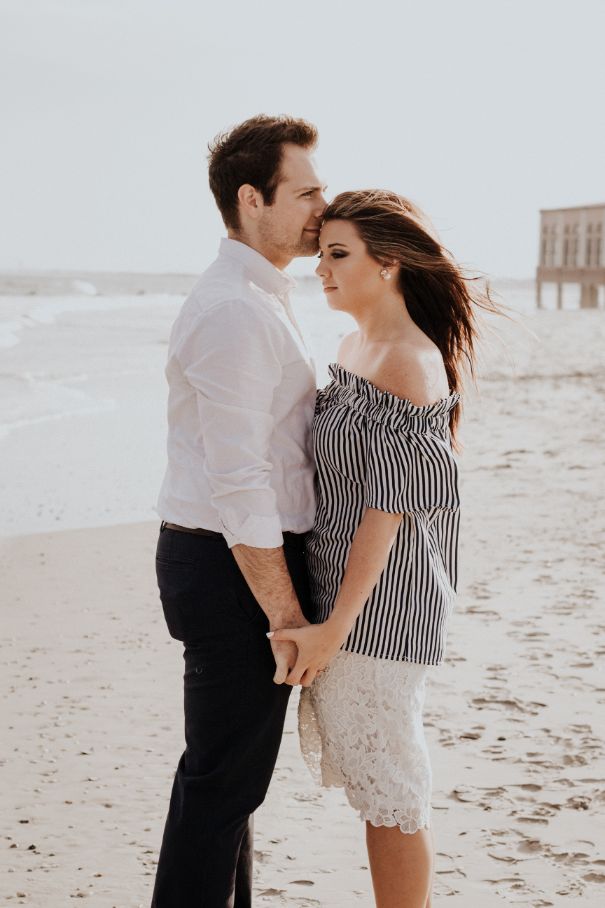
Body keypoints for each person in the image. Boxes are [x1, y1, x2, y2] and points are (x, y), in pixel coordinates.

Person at [270, 190, 500, 908]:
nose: (321, 269)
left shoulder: (407, 361)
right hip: (338, 595)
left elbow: (386, 515)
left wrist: (334, 625)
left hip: (377, 610)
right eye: (321, 254)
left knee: (391, 789)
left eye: (339, 255)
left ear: (389, 265)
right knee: (378, 788)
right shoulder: (351, 348)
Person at [151, 114, 326, 907]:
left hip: (234, 563)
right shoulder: (232, 311)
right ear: (252, 199)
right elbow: (240, 482)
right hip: (231, 568)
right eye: (306, 191)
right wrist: (285, 613)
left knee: (231, 790)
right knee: (221, 787)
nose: (321, 207)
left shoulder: (261, 295)